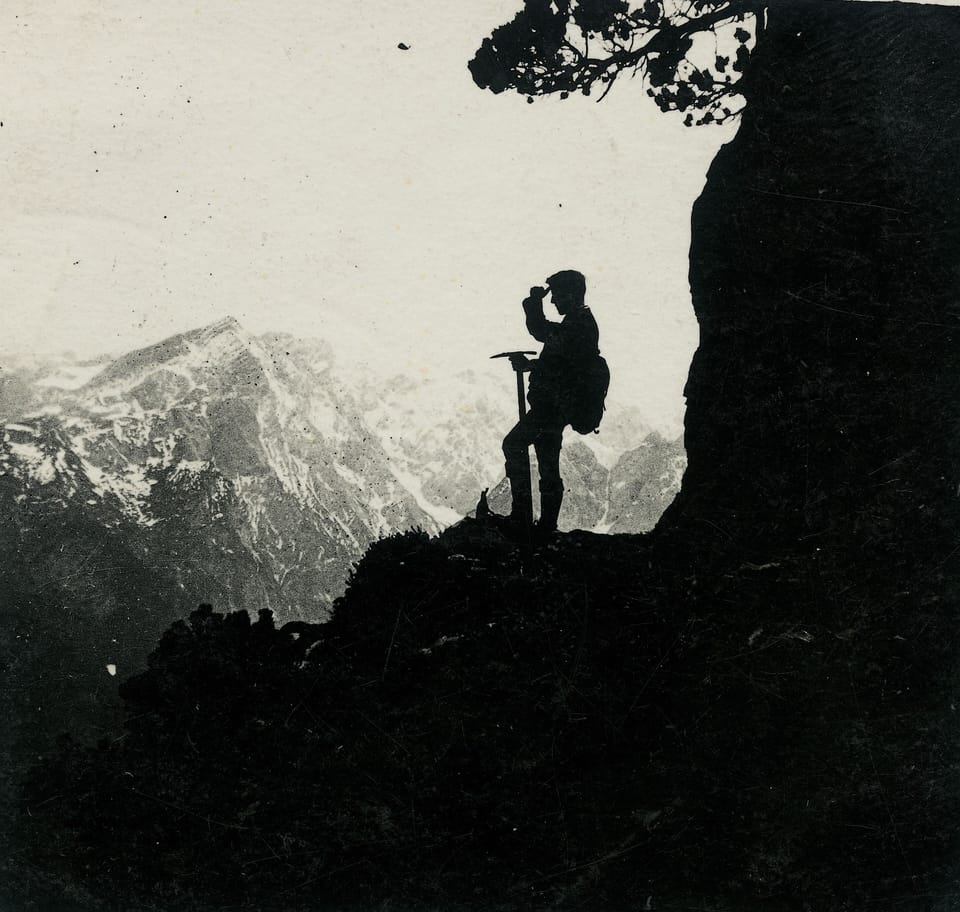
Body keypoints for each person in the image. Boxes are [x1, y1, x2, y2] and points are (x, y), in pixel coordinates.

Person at [502, 269, 600, 532]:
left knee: (513, 444)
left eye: (557, 295)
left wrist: (534, 303)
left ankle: (522, 517)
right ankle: (545, 525)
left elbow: (543, 334)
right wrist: (531, 365)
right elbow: (557, 357)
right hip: (558, 406)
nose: (554, 300)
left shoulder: (578, 325)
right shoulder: (578, 323)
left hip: (552, 407)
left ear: (571, 295)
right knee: (547, 462)